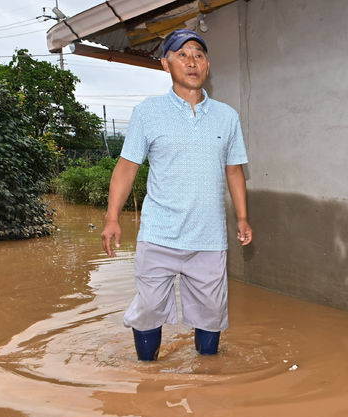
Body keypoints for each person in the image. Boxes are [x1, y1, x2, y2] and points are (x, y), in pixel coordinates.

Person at [101, 28, 252, 361]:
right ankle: (147, 374)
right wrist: (112, 218)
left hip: (209, 237)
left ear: (207, 66)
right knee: (149, 308)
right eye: (181, 55)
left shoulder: (227, 117)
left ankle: (208, 378)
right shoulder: (147, 112)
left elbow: (234, 170)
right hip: (159, 233)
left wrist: (242, 217)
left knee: (211, 313)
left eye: (198, 54)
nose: (191, 61)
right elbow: (126, 168)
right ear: (165, 65)